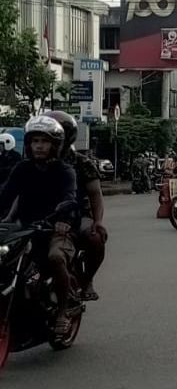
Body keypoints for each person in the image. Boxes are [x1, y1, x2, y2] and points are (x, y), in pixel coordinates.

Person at [0, 116, 79, 333]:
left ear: (55, 145)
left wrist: (64, 220)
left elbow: (70, 198)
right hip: (24, 229)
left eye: (45, 141)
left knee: (55, 257)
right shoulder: (21, 169)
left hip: (56, 229)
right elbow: (5, 196)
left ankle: (62, 310)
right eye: (35, 141)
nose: (39, 146)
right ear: (28, 144)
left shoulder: (65, 171)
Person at [44, 111, 107, 302]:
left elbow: (95, 194)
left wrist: (97, 221)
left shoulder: (81, 163)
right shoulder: (33, 163)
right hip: (42, 215)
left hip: (78, 215)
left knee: (95, 239)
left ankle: (87, 280)